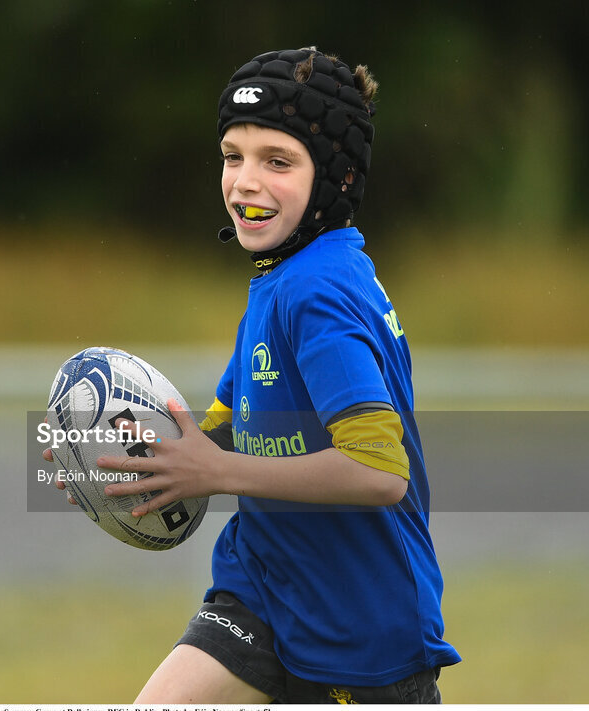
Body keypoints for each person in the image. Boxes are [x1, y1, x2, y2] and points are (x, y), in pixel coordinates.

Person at [48, 47, 460, 703]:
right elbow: (213, 440)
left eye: (277, 161)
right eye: (232, 155)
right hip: (263, 592)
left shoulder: (320, 292)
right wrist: (119, 463)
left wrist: (214, 474)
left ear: (337, 179)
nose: (244, 180)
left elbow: (379, 471)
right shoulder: (280, 279)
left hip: (360, 632)